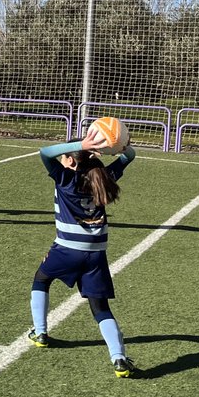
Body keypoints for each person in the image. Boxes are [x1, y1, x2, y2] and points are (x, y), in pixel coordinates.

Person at [27, 129, 139, 378]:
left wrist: (81, 145)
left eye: (65, 156)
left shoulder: (66, 178)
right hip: (96, 252)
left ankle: (40, 332)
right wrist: (119, 145)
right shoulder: (104, 175)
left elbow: (44, 153)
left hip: (67, 248)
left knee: (41, 280)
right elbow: (130, 156)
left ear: (71, 160)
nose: (61, 159)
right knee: (100, 307)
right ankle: (118, 358)